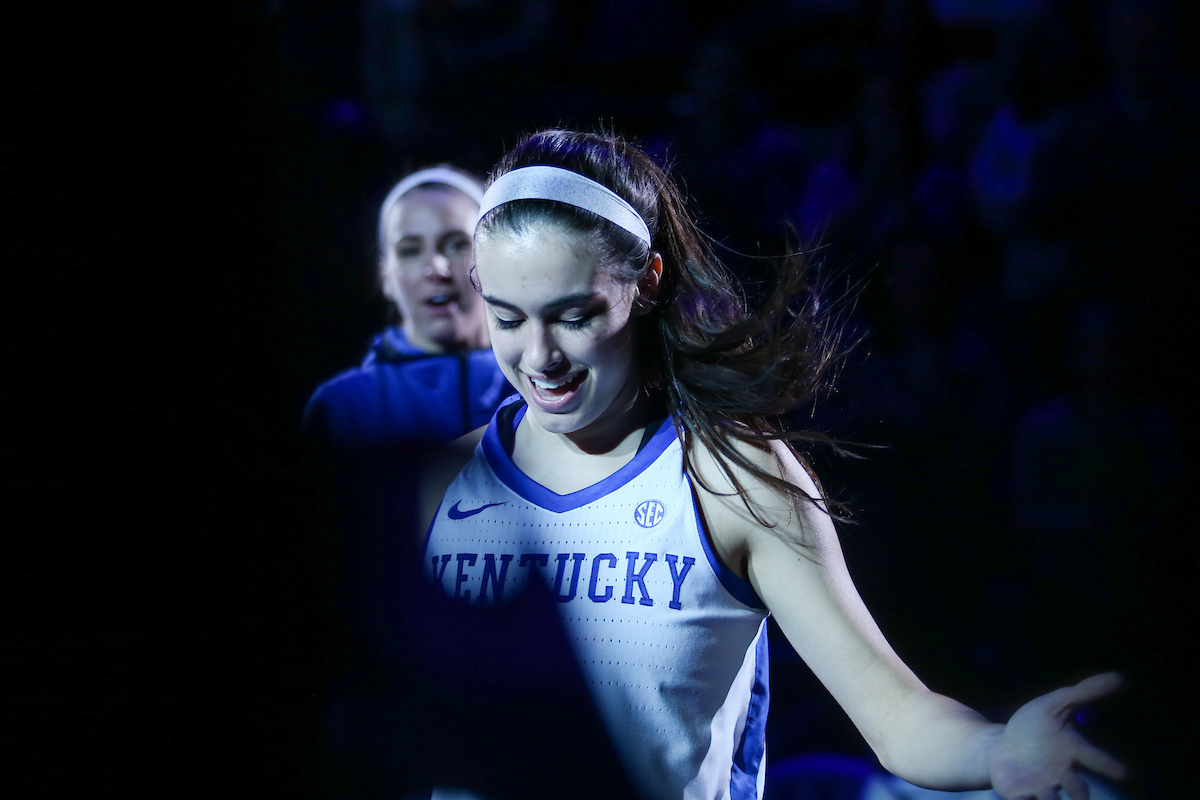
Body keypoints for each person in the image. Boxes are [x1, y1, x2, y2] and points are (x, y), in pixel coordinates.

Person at [419, 130, 1125, 800]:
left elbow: (896, 713)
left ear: (647, 282)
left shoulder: (731, 479)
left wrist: (996, 750)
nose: (539, 357)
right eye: (508, 318)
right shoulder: (437, 487)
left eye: (574, 316)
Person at [304, 166, 513, 448]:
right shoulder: (341, 408)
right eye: (410, 251)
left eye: (456, 245)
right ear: (386, 277)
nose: (436, 269)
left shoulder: (544, 386)